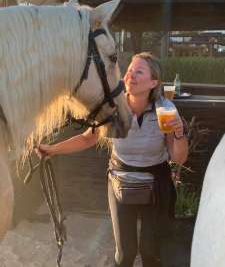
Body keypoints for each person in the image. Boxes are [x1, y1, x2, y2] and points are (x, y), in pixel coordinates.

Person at [37, 52, 188, 267]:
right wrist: (52, 149)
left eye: (139, 72)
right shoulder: (113, 108)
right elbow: (87, 139)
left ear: (154, 82)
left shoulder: (166, 109)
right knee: (125, 253)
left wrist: (179, 133)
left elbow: (178, 157)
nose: (130, 76)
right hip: (120, 180)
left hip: (156, 181)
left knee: (150, 250)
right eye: (129, 71)